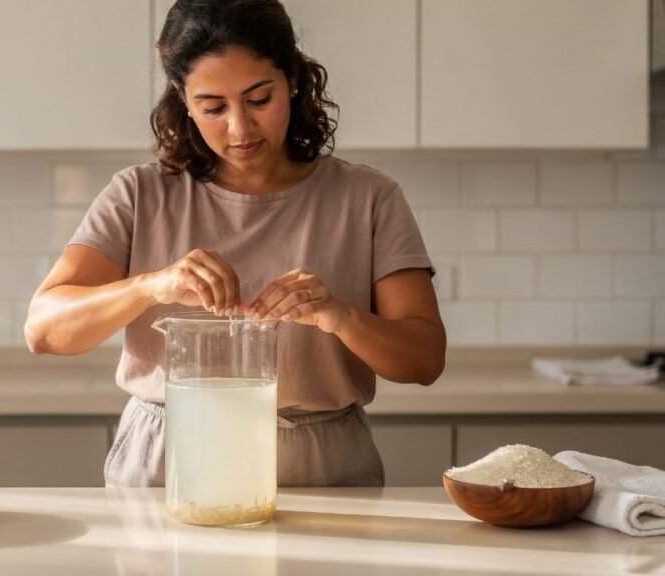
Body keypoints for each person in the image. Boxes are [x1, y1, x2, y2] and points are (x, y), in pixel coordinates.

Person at [25, 0, 446, 487]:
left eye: (259, 99)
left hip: (323, 469)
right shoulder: (139, 194)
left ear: (291, 78)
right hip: (169, 462)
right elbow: (43, 329)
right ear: (182, 97)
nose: (239, 128)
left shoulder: (368, 198)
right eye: (213, 107)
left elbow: (425, 361)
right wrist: (150, 286)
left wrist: (342, 316)